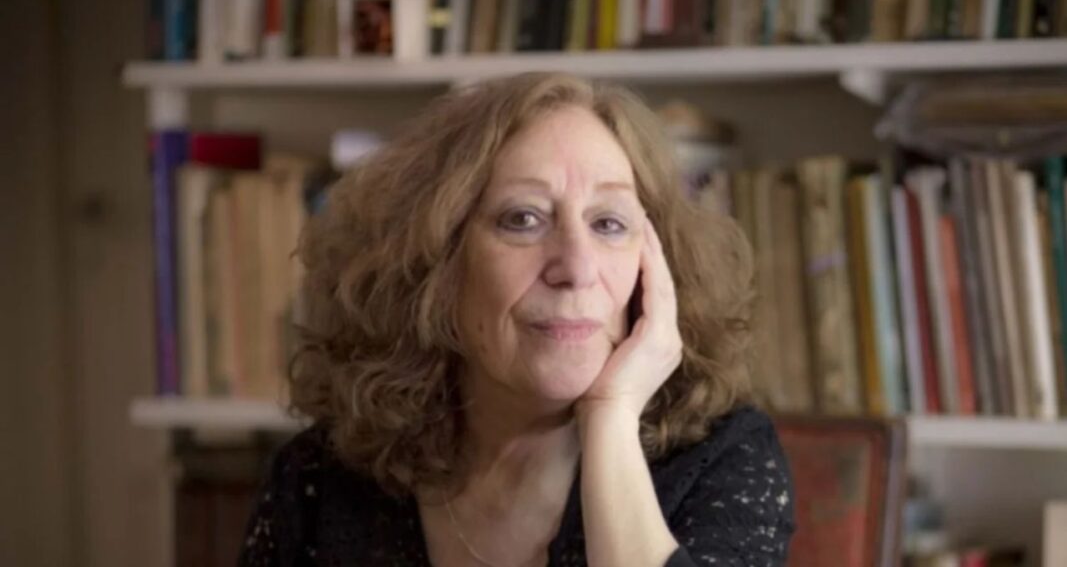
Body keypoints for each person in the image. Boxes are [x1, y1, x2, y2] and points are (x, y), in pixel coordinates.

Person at [239, 72, 794, 567]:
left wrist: (610, 417)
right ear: (436, 265)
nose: (576, 268)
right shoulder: (317, 482)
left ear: (654, 267)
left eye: (608, 223)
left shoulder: (721, 460)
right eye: (523, 219)